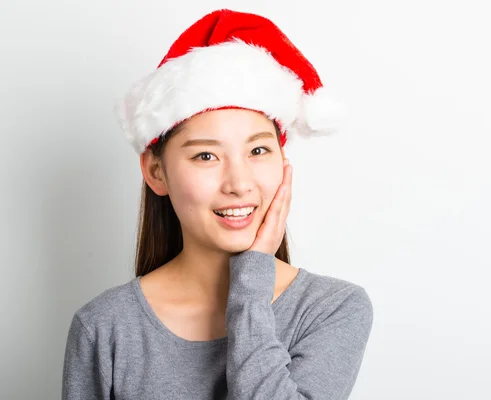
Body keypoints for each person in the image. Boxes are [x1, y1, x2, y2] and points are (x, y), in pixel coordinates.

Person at [61, 8, 373, 400]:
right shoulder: (104, 326)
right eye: (206, 156)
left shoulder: (331, 308)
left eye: (258, 150)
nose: (239, 184)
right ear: (156, 172)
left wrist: (251, 281)